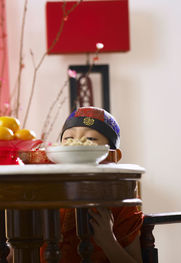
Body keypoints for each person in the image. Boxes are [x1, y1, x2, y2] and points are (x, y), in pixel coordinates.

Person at [40, 106, 143, 263]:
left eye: (90, 140)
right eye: (68, 140)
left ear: (114, 155)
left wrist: (108, 241)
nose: (76, 146)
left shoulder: (120, 200)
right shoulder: (43, 193)